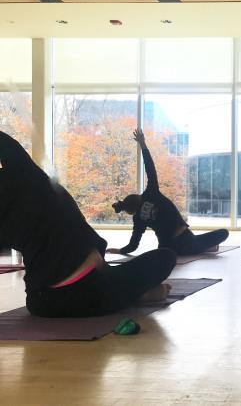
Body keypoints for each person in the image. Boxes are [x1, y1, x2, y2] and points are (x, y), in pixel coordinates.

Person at [0, 131, 175, 318]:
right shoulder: (24, 170)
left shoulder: (21, 170)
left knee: (165, 257)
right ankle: (133, 295)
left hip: (83, 285)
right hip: (59, 295)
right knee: (165, 258)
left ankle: (129, 295)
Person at [109, 129, 229, 257]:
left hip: (167, 248)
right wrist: (142, 144)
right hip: (185, 239)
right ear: (137, 196)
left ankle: (201, 248)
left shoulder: (138, 219)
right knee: (223, 233)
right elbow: (150, 168)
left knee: (188, 246)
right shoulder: (151, 192)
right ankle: (201, 248)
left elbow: (134, 244)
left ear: (130, 210)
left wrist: (120, 250)